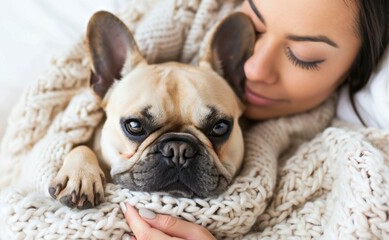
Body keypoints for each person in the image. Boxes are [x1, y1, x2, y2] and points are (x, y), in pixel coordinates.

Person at [121, 0, 389, 239]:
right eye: (254, 29)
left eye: (304, 56)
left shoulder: (358, 170)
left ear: (353, 72)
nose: (253, 68)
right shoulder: (136, 64)